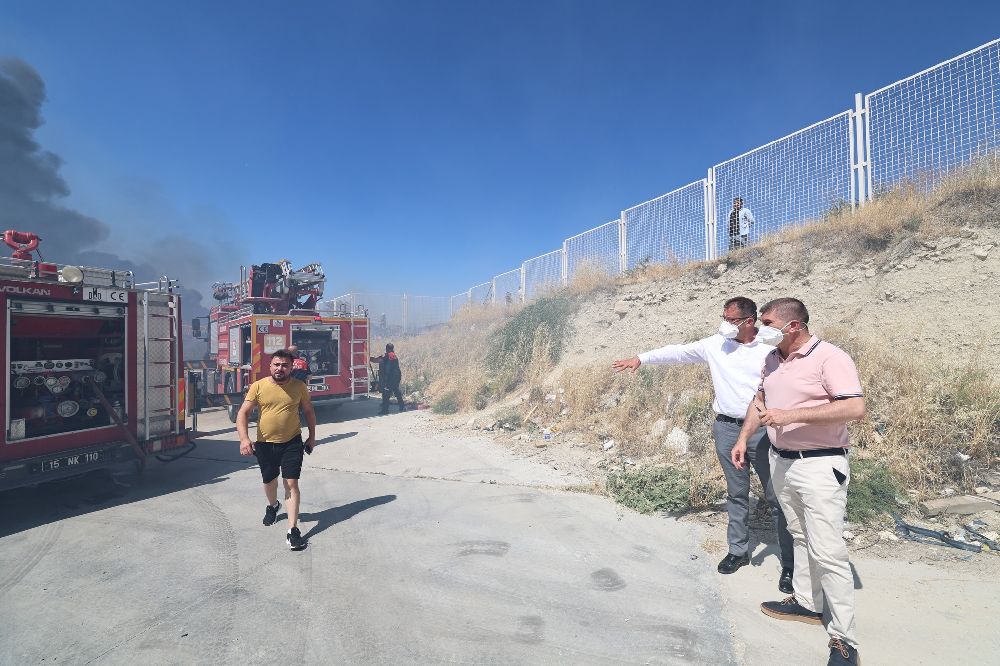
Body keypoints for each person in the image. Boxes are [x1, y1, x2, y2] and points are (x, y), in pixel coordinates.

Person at [612, 297, 794, 593]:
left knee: (776, 496)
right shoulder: (715, 344)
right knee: (736, 493)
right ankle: (738, 551)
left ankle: (790, 564)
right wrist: (641, 358)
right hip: (726, 428)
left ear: (749, 322)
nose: (725, 325)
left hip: (763, 430)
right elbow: (679, 352)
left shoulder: (770, 346)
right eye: (724, 317)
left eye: (731, 320)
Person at [731, 298, 865, 666]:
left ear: (793, 326)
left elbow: (854, 407)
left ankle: (844, 640)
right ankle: (808, 603)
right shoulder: (772, 359)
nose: (759, 328)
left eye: (767, 322)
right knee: (800, 536)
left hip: (819, 465)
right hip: (782, 462)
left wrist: (790, 416)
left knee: (828, 551)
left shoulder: (830, 357)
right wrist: (743, 438)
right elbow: (759, 401)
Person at [237, 349, 317, 551]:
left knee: (291, 483)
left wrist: (312, 437)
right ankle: (273, 506)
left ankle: (293, 530)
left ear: (291, 368)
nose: (280, 368)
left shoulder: (299, 386)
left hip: (292, 442)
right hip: (265, 443)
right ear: (270, 366)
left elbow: (308, 411)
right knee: (269, 481)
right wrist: (244, 439)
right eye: (277, 365)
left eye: (285, 365)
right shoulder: (258, 386)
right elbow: (243, 413)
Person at [372, 343, 404, 414]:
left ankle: (385, 410)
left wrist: (385, 380)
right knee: (396, 391)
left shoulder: (387, 357)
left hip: (390, 378)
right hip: (397, 377)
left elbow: (385, 367)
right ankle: (402, 407)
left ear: (387, 349)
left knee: (386, 394)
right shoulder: (394, 356)